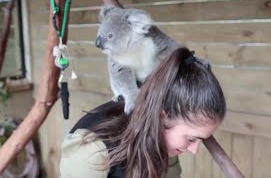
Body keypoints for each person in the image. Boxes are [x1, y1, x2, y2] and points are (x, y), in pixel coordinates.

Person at [59, 47, 226, 178]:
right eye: (191, 139)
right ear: (161, 117)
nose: (194, 150)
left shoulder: (163, 141)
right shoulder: (91, 150)